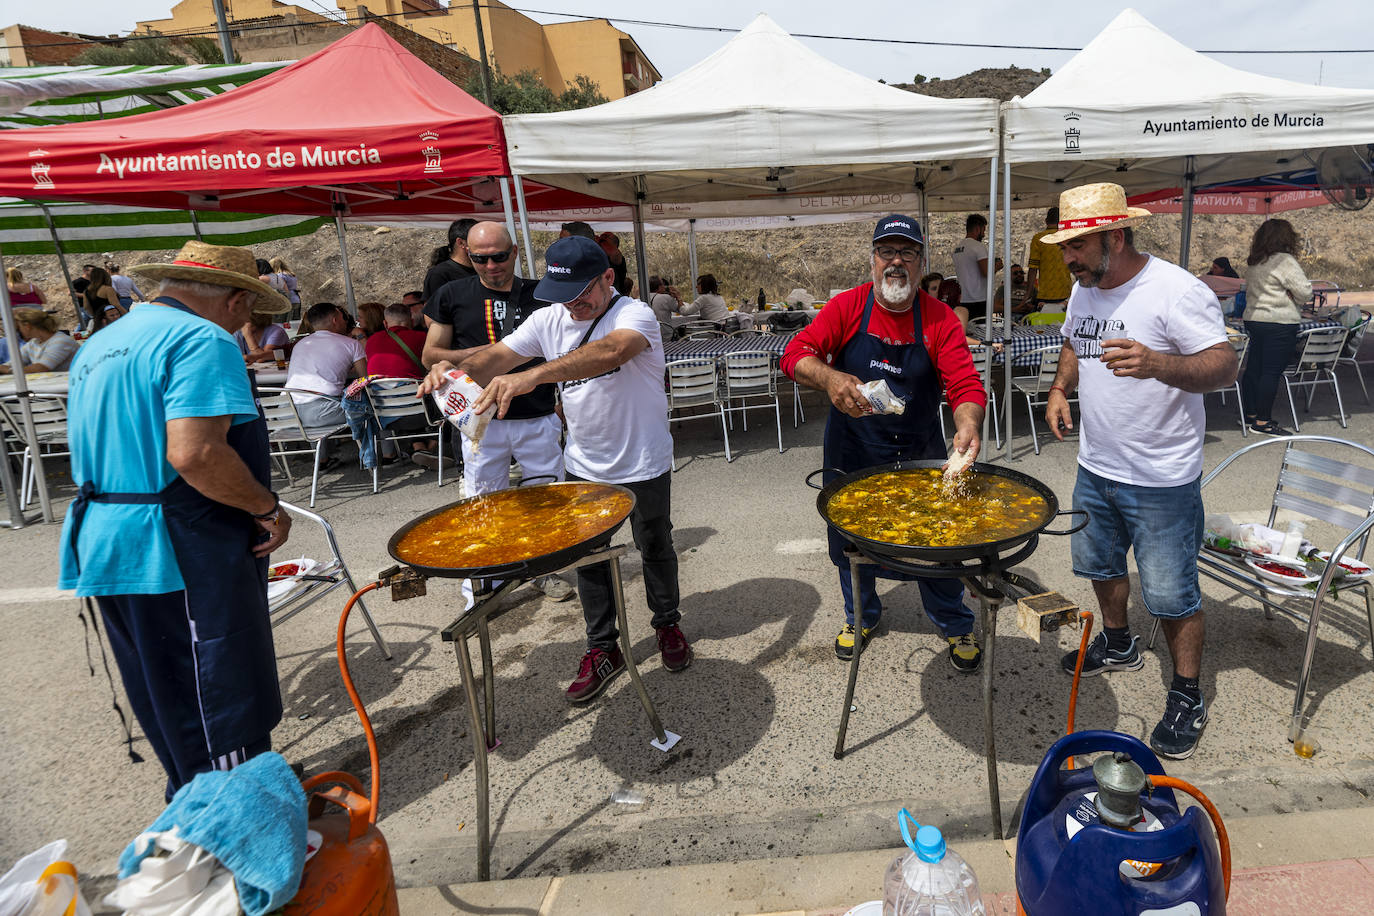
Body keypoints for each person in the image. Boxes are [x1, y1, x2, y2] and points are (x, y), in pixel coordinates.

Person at [58, 241, 292, 799]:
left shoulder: (104, 341)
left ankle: (194, 800)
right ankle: (238, 809)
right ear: (236, 301)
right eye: (250, 313)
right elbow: (196, 454)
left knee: (162, 687)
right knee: (217, 686)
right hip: (176, 541)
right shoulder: (202, 340)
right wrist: (266, 508)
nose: (247, 324)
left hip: (106, 537)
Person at [422, 235, 692, 701]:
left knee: (655, 545)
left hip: (643, 459)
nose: (572, 307)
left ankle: (667, 624)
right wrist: (450, 368)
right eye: (562, 296)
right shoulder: (549, 317)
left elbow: (610, 352)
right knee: (586, 557)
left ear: (608, 278)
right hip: (584, 463)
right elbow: (497, 357)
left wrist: (533, 374)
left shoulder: (635, 314)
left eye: (581, 294)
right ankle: (602, 646)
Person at [1044, 182, 1237, 760]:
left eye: (1077, 247)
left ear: (1116, 236)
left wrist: (1156, 363)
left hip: (1161, 477)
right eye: (1064, 248)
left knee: (1172, 594)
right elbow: (1076, 344)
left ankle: (1186, 694)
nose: (1068, 259)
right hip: (1096, 465)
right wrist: (1059, 388)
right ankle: (1120, 641)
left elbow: (1225, 364)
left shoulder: (1175, 290)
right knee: (1100, 565)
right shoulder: (1085, 289)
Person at [781, 215, 988, 671]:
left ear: (921, 261)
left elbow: (966, 384)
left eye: (907, 253)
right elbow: (794, 355)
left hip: (918, 452)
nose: (896, 262)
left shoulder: (938, 319)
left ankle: (954, 623)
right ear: (873, 258)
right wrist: (831, 378)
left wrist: (968, 424)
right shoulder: (847, 307)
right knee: (852, 546)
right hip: (853, 449)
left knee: (935, 544)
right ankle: (861, 616)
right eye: (886, 252)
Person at [421, 221, 573, 601]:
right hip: (479, 418)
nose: (491, 266)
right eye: (480, 258)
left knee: (547, 498)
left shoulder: (542, 293)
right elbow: (431, 354)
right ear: (466, 254)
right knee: (482, 500)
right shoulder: (451, 293)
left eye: (499, 256)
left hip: (537, 413)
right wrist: (496, 357)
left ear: (516, 252)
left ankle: (544, 569)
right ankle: (486, 579)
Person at [1240, 219, 1312, 437]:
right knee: (1271, 372)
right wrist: (1290, 294)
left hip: (1254, 318)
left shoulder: (1255, 261)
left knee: (1254, 369)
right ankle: (1263, 422)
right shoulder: (1285, 261)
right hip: (1279, 321)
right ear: (1286, 237)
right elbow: (1305, 292)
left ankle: (1250, 414)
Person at [284, 302, 367, 469]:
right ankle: (382, 456)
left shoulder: (300, 344)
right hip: (321, 413)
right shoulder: (351, 344)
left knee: (318, 400)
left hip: (287, 413)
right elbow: (364, 379)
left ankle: (322, 460)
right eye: (343, 318)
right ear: (335, 320)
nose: (346, 321)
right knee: (369, 406)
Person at [951, 213, 1001, 320]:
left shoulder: (957, 248)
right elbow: (986, 272)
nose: (984, 234)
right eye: (983, 230)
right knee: (981, 333)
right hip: (979, 299)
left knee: (967, 331)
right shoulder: (978, 247)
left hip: (962, 299)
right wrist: (997, 267)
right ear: (978, 229)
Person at [0, 308, 79, 374]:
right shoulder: (33, 342)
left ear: (27, 326)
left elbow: (41, 368)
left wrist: (9, 370)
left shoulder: (61, 341)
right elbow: (14, 363)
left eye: (20, 327)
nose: (19, 330)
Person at [1026, 207, 1073, 312]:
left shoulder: (1038, 239)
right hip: (1065, 293)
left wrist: (1028, 295)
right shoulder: (1067, 237)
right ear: (1061, 221)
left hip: (1044, 295)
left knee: (1043, 325)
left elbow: (1033, 269)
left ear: (1046, 221)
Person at [423, 217, 478, 305]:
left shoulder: (484, 269)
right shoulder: (439, 274)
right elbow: (432, 313)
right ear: (461, 243)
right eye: (477, 239)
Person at [367, 303, 428, 379]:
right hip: (411, 387)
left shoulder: (372, 339)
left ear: (385, 323)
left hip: (376, 387)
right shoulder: (422, 336)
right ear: (412, 322)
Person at [83, 267, 127, 331]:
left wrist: (97, 316)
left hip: (98, 322)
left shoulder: (86, 291)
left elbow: (86, 307)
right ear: (105, 276)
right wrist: (128, 316)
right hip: (112, 321)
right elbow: (116, 305)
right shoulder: (108, 289)